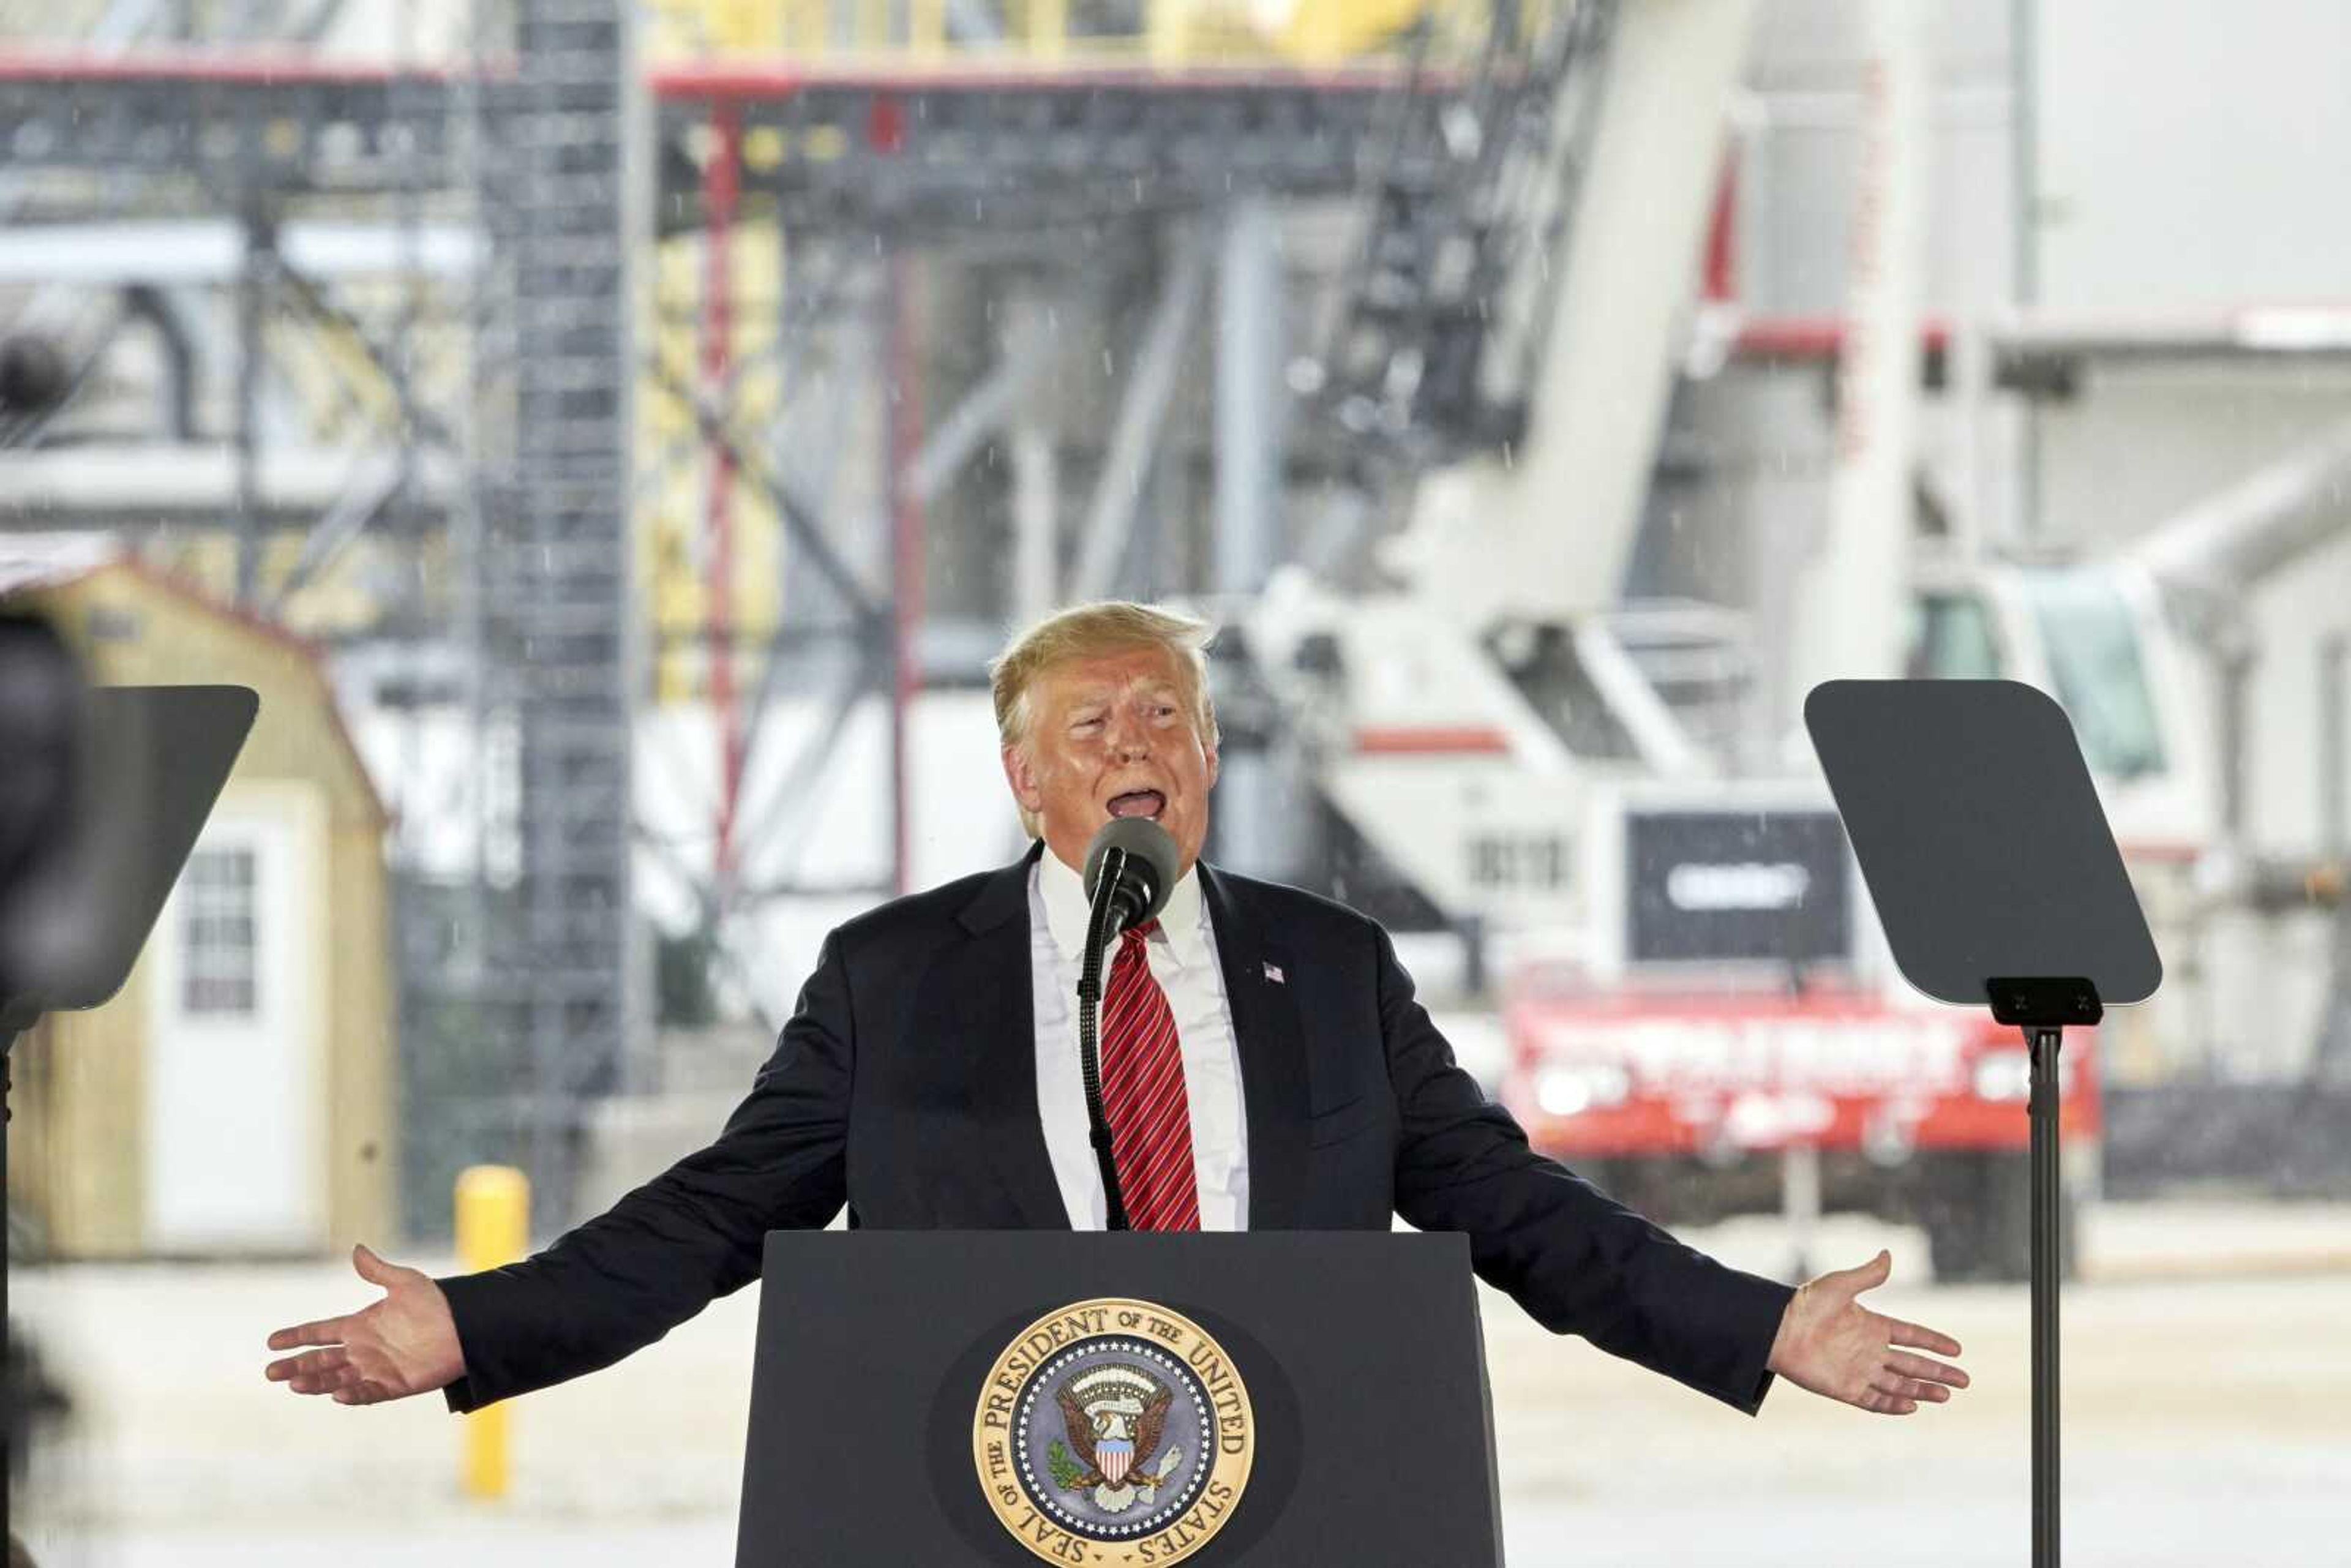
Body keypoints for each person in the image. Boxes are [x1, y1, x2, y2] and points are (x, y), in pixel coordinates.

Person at [266, 601, 1967, 1421]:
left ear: (1213, 757)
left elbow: (1519, 1214)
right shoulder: (891, 976)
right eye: (1089, 726)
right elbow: (719, 1218)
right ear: (1021, 775)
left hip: (1292, 1482)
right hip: (986, 1490)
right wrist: (477, 1325)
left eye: (1165, 715)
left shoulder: (1337, 968)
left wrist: (1760, 1324)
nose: (1134, 744)